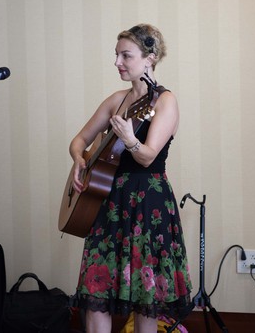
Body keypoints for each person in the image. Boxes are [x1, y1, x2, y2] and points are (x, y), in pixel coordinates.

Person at [69, 24, 191, 333]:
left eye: (126, 55)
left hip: (147, 203)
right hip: (108, 201)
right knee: (96, 291)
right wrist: (77, 161)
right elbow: (79, 140)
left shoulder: (165, 101)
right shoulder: (116, 99)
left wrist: (129, 137)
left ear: (149, 58)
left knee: (144, 297)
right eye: (116, 55)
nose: (117, 62)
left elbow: (148, 156)